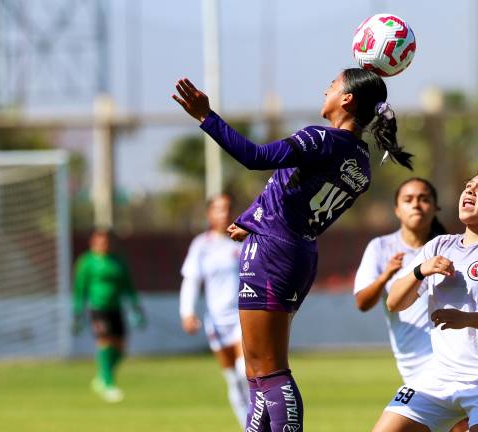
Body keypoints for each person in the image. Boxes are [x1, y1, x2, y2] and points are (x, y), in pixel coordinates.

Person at [172, 68, 413, 432]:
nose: (325, 89)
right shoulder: (360, 161)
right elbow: (297, 193)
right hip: (297, 250)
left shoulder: (321, 139)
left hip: (272, 252)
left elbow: (256, 157)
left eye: (331, 85)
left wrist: (207, 117)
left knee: (268, 369)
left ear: (346, 99)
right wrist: (254, 217)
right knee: (256, 369)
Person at [371, 170, 478, 432]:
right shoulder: (438, 246)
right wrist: (420, 271)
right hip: (439, 374)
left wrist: (467, 319)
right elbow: (394, 302)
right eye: (468, 185)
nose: (470, 190)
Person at [354, 178, 467, 432]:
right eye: (408, 199)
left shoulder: (451, 248)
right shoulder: (381, 247)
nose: (416, 205)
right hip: (411, 363)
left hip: (449, 358)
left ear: (436, 207)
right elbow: (362, 302)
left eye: (424, 199)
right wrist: (386, 275)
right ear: (397, 209)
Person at [180, 194, 250, 428]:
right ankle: (248, 426)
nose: (223, 214)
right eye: (218, 210)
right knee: (233, 381)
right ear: (209, 214)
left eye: (227, 209)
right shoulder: (201, 245)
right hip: (217, 322)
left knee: (245, 372)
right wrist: (187, 312)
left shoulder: (243, 239)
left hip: (244, 316)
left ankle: (259, 423)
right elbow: (191, 280)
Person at [72, 228, 146, 403]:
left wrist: (136, 308)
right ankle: (108, 384)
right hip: (97, 308)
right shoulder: (87, 262)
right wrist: (77, 312)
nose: (102, 244)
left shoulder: (117, 262)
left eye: (106, 241)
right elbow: (80, 289)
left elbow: (128, 286)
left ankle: (101, 376)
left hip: (116, 308)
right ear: (93, 242)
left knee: (120, 348)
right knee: (105, 342)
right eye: (99, 241)